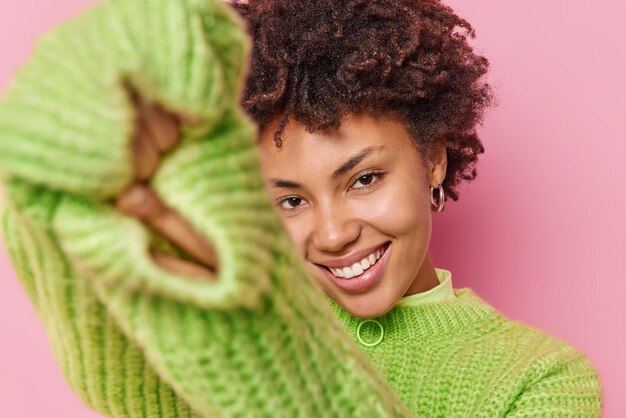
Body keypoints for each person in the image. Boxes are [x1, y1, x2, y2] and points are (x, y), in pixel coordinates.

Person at [0, 0, 603, 416]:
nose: (335, 233)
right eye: (290, 200)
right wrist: (48, 196)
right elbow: (131, 391)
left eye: (364, 178)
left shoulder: (539, 380)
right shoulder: (224, 329)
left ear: (435, 158)